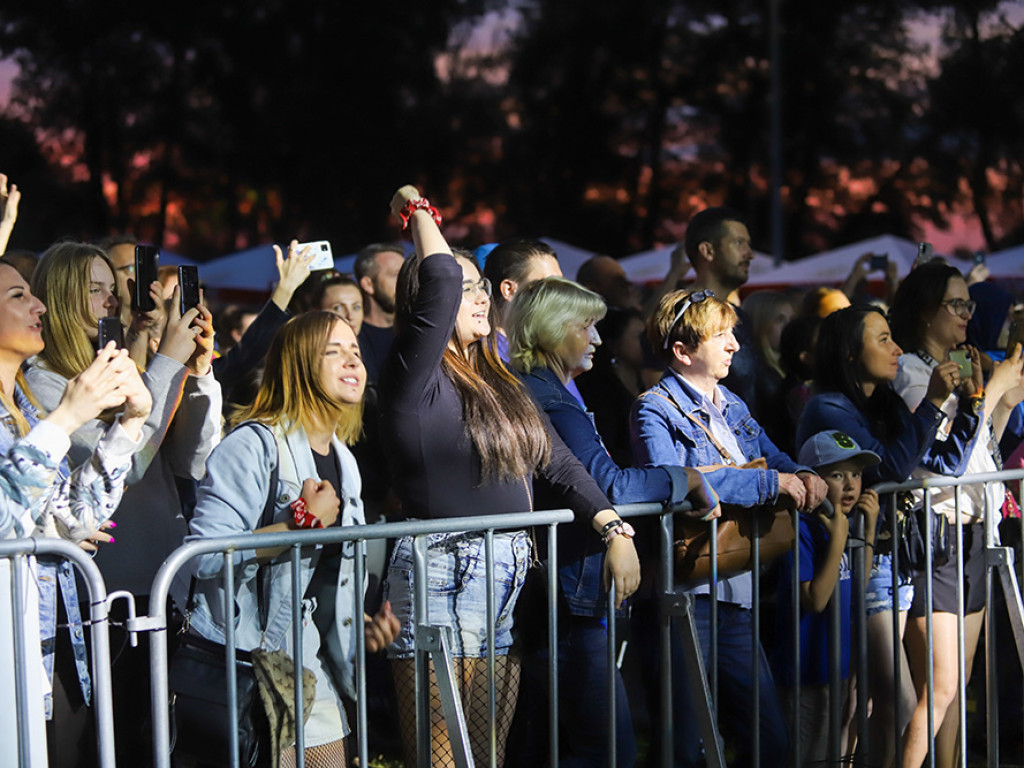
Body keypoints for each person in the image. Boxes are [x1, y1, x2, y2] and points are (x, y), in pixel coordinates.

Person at [379, 186, 639, 768]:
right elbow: (441, 275)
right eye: (465, 288)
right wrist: (416, 208)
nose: (473, 296)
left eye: (478, 287)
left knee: (489, 753)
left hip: (503, 575)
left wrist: (613, 529)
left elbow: (559, 462)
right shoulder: (412, 376)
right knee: (446, 759)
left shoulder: (500, 381)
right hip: (439, 570)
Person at [506, 276, 719, 768]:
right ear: (550, 330)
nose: (598, 339)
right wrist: (684, 477)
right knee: (604, 748)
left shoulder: (551, 391)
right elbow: (611, 486)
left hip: (569, 588)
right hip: (569, 592)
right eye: (587, 327)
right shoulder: (549, 396)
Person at [25, 240, 222, 766]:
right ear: (60, 298)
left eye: (113, 290)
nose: (110, 302)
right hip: (99, 601)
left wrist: (197, 374)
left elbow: (192, 458)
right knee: (105, 748)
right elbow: (122, 465)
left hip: (160, 590)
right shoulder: (45, 382)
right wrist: (165, 362)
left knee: (155, 744)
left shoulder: (122, 364)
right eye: (94, 290)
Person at [179, 311, 400, 768]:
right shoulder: (253, 444)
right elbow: (203, 557)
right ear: (298, 363)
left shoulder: (345, 459)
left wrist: (356, 625)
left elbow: (318, 579)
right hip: (244, 661)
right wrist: (302, 523)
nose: (352, 362)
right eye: (333, 351)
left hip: (305, 659)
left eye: (355, 352)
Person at [631, 287, 826, 767]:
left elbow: (771, 453)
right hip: (687, 597)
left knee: (768, 741)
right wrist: (771, 482)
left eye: (732, 332)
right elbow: (675, 484)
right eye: (721, 335)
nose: (735, 344)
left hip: (736, 595)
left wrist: (799, 474)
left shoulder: (732, 402)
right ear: (682, 350)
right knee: (684, 745)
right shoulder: (652, 408)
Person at [795, 305, 981, 768]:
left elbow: (944, 463)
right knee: (881, 698)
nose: (897, 349)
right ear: (850, 352)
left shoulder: (882, 401)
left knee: (866, 703)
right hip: (851, 561)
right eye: (882, 339)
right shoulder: (829, 406)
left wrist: (972, 402)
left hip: (886, 559)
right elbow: (889, 468)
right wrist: (934, 402)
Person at [0, 260, 152, 767]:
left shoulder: (23, 404)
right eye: (18, 296)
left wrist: (131, 422)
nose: (38, 305)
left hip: (48, 633)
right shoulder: (46, 405)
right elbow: (3, 520)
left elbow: (80, 514)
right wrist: (67, 416)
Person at [889, 262, 1024, 768]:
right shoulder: (912, 374)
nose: (968, 313)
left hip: (970, 535)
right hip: (935, 534)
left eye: (970, 304)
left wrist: (1002, 399)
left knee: (957, 684)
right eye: (957, 304)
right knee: (939, 686)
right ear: (926, 311)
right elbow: (938, 462)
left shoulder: (957, 367)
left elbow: (980, 450)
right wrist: (988, 396)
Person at [774, 430, 880, 766]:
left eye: (857, 474)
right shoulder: (802, 528)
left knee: (839, 751)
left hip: (841, 667)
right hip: (807, 671)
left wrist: (870, 529)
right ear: (815, 481)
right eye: (837, 475)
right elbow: (816, 600)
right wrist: (839, 540)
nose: (850, 485)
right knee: (812, 756)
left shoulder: (843, 523)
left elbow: (857, 584)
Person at [680, 206, 758, 408]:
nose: (750, 254)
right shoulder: (680, 315)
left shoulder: (740, 317)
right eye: (739, 243)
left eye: (748, 244)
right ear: (708, 251)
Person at [354, 243, 406, 384]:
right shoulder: (354, 339)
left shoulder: (416, 329)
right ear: (368, 285)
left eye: (406, 274)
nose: (405, 281)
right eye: (396, 274)